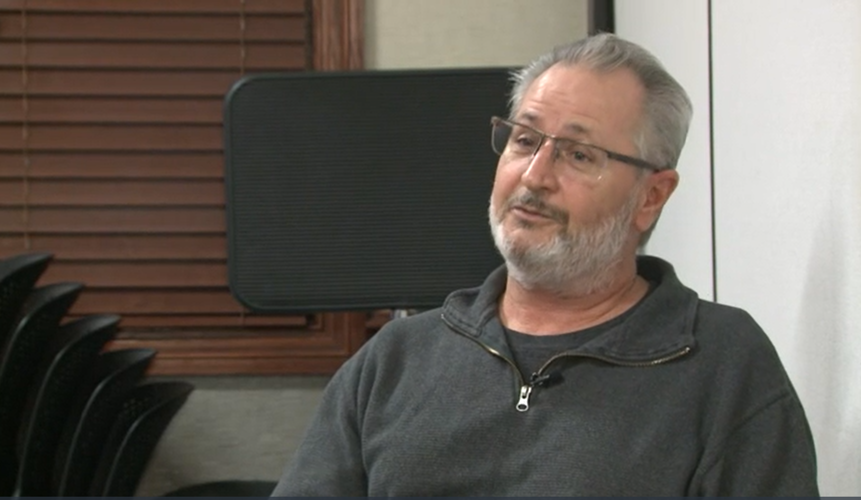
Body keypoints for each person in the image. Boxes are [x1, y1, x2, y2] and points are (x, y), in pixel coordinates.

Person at [272, 33, 819, 496]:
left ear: (651, 196)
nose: (534, 176)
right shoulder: (395, 359)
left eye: (579, 155)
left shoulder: (723, 365)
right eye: (525, 140)